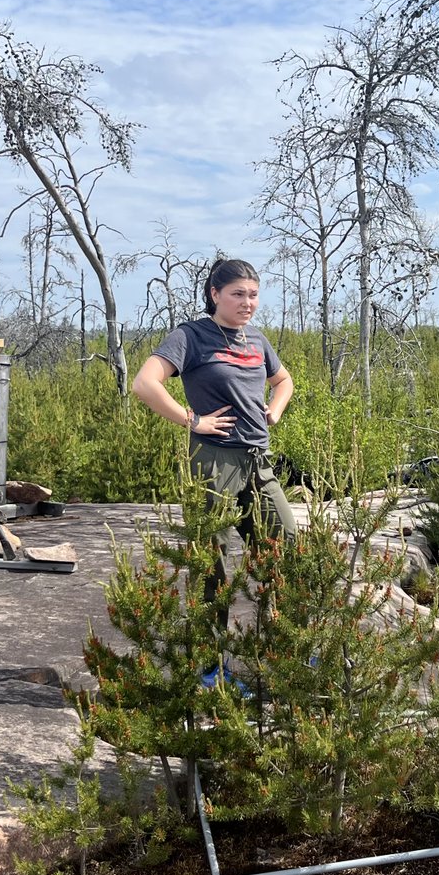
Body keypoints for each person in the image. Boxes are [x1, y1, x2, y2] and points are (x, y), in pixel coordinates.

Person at [131, 258, 297, 650]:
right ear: (215, 294)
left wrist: (274, 410)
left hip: (258, 458)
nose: (247, 302)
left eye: (253, 295)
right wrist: (193, 420)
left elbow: (284, 379)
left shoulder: (256, 339)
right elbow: (144, 383)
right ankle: (210, 662)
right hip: (213, 460)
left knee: (285, 543)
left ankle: (285, 646)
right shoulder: (191, 336)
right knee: (214, 561)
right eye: (238, 294)